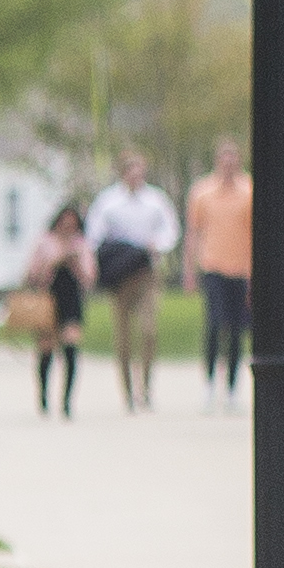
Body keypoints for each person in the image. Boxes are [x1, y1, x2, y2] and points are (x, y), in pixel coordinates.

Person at [87, 150, 180, 411]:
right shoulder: (108, 202)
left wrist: (157, 245)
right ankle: (127, 391)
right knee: (123, 336)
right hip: (120, 276)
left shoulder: (155, 200)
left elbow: (170, 230)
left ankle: (146, 388)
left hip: (147, 273)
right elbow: (95, 234)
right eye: (131, 171)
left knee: (149, 330)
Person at [187, 139, 257, 401]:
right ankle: (209, 382)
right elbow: (194, 232)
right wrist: (190, 270)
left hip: (241, 267)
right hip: (213, 264)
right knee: (215, 324)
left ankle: (231, 386)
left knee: (238, 327)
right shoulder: (203, 192)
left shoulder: (248, 190)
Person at [21, 200, 90, 414]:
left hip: (71, 299)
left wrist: (74, 262)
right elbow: (31, 275)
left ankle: (67, 401)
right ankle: (43, 395)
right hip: (48, 298)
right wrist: (55, 261)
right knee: (46, 350)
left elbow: (89, 278)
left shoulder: (82, 245)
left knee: (70, 348)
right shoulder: (44, 242)